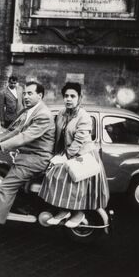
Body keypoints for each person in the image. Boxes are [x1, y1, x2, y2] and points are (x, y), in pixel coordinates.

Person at [0, 81, 55, 238]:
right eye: (25, 93)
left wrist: (0, 148)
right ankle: (14, 207)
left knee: (5, 187)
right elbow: (17, 130)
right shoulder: (31, 111)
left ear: (40, 95)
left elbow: (24, 137)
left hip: (36, 159)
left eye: (30, 93)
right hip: (27, 157)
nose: (26, 96)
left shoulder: (43, 115)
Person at [39, 82, 110, 227]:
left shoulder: (83, 116)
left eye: (72, 96)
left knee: (74, 182)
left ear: (79, 98)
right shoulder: (61, 113)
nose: (68, 99)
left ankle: (78, 213)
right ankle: (63, 211)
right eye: (66, 96)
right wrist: (54, 153)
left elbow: (79, 140)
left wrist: (64, 156)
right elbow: (57, 135)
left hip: (83, 156)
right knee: (52, 175)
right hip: (67, 153)